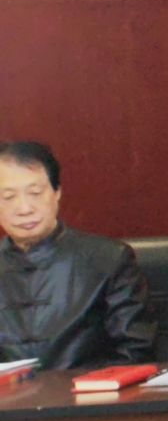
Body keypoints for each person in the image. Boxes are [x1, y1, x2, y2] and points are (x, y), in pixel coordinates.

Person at [0, 140, 154, 369]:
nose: (24, 208)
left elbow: (134, 351)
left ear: (57, 192)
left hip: (84, 391)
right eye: (8, 197)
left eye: (35, 193)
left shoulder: (109, 259)